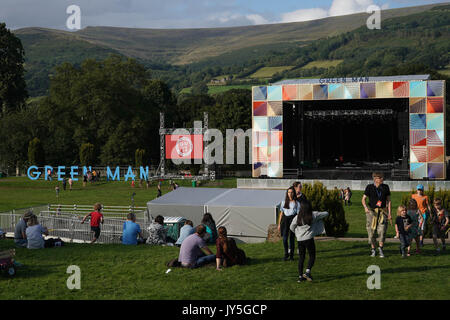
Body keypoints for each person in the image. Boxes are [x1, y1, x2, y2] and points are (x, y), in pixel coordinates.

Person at [290, 200, 328, 282]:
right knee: (312, 256)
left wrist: (297, 233)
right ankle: (307, 272)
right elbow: (326, 213)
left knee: (301, 257)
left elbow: (291, 227)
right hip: (309, 239)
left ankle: (300, 277)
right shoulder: (313, 215)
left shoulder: (297, 217)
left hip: (300, 239)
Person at [362, 172, 392, 258]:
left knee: (382, 231)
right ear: (375, 179)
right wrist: (365, 207)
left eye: (382, 177)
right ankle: (373, 250)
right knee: (371, 232)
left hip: (383, 212)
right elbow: (363, 199)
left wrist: (389, 213)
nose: (382, 179)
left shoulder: (385, 187)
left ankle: (381, 249)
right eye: (380, 178)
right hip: (372, 212)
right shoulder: (369, 187)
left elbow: (389, 201)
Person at [278, 187, 300, 261]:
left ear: (294, 193)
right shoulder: (283, 202)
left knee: (291, 239)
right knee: (284, 239)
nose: (290, 194)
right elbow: (281, 213)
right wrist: (279, 224)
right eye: (288, 192)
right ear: (287, 193)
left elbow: (298, 214)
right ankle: (286, 254)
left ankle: (291, 256)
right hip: (285, 221)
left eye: (291, 192)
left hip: (293, 220)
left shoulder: (297, 203)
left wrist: (298, 224)